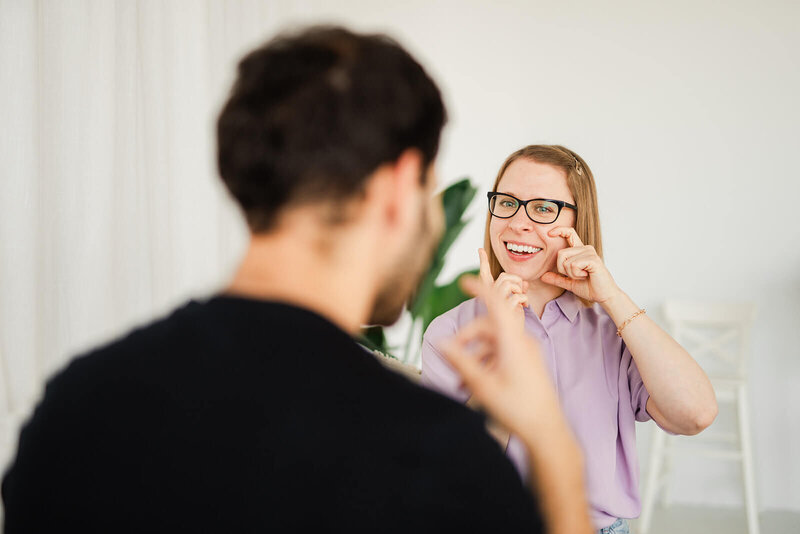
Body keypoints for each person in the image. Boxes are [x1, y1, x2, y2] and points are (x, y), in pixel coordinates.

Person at [2, 28, 593, 533]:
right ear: (397, 189)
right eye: (429, 189)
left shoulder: (75, 406)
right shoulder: (431, 456)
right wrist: (554, 451)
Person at [421, 144, 719, 533]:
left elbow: (694, 414)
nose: (517, 223)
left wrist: (613, 297)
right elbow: (455, 474)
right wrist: (506, 352)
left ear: (580, 222)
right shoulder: (450, 332)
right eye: (507, 202)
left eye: (543, 208)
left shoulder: (612, 328)